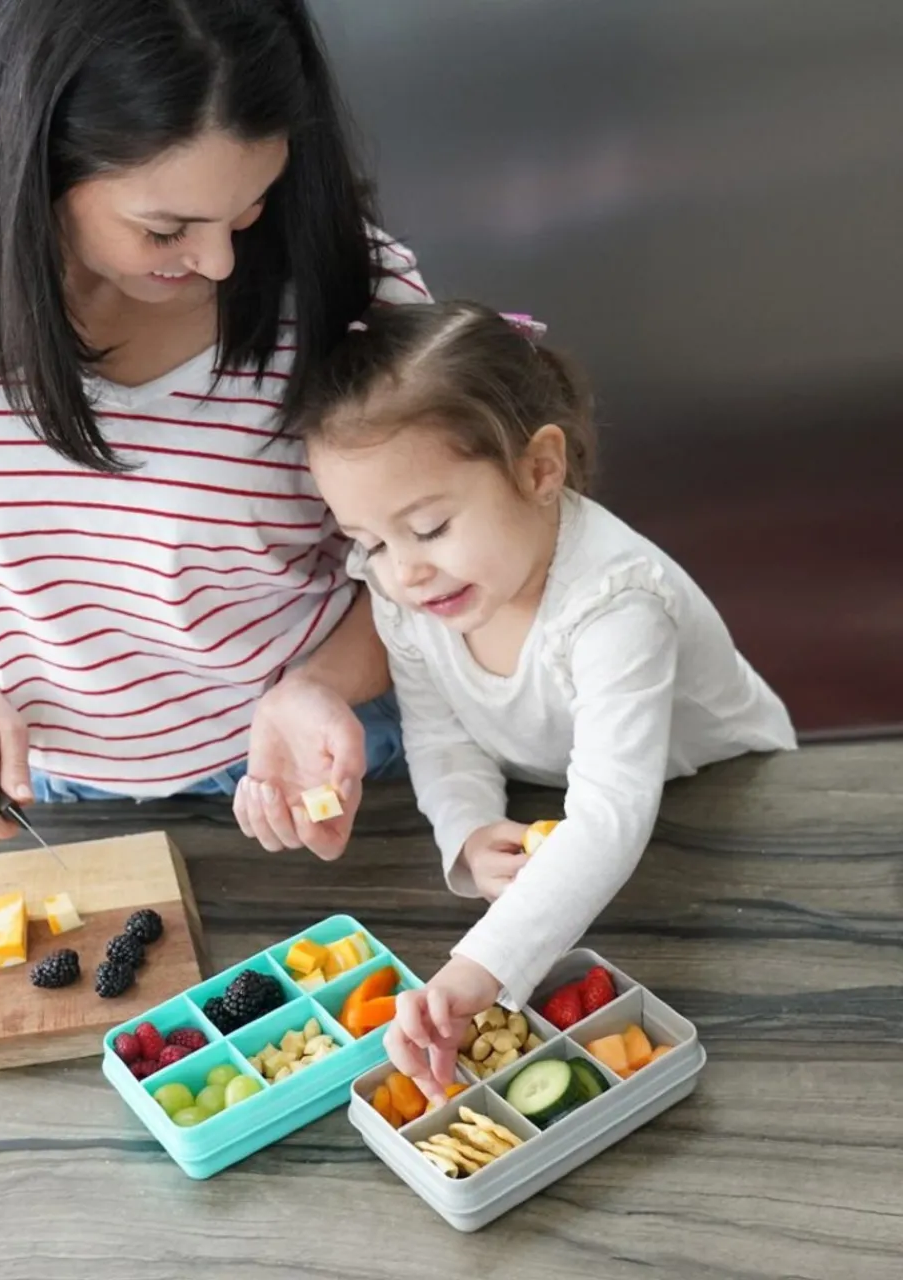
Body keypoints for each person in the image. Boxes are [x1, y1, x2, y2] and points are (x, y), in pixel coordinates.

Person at [0, 0, 428, 854]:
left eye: (250, 207)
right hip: (49, 787)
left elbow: (425, 561)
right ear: (40, 157)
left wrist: (323, 687)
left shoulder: (354, 293)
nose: (219, 261)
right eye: (165, 229)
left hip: (320, 756)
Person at [293, 300, 796, 1098]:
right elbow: (442, 735)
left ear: (538, 469)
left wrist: (480, 967)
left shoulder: (617, 603)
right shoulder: (408, 595)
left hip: (733, 804)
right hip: (592, 818)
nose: (403, 571)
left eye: (430, 527)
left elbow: (609, 815)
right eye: (372, 542)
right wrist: (467, 831)